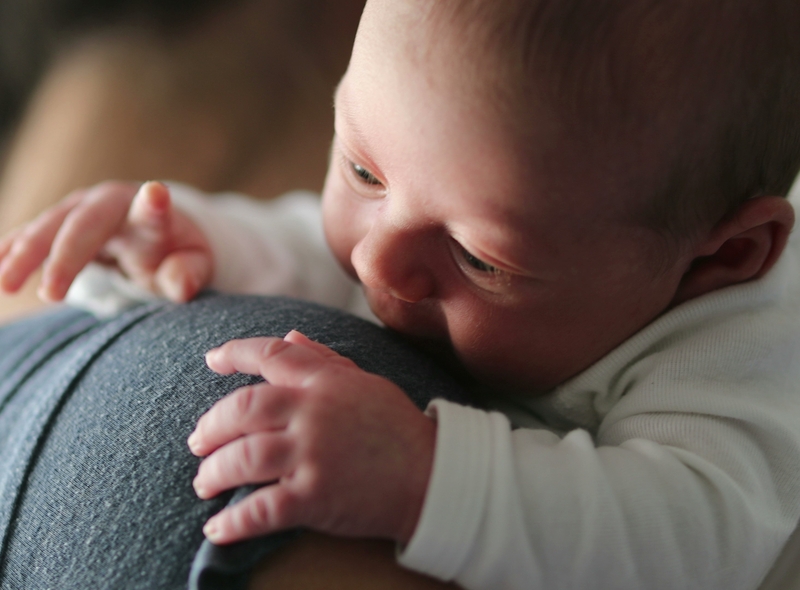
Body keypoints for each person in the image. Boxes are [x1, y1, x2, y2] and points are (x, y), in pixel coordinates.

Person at [2, 0, 800, 589]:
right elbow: (315, 255)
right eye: (361, 171)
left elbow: (694, 539)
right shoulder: (509, 223)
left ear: (722, 256)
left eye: (479, 259)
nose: (380, 263)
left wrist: (427, 478)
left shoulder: (735, 352)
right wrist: (194, 242)